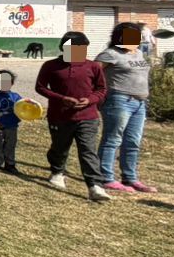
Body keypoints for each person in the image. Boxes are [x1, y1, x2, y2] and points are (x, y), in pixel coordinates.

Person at [35, 31, 110, 202]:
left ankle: (94, 186)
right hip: (59, 116)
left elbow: (101, 90)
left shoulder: (93, 67)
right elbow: (40, 87)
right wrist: (62, 99)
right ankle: (57, 171)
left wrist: (90, 100)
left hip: (87, 117)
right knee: (59, 147)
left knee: (88, 151)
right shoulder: (51, 66)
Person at [97, 21, 157, 194]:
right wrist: (98, 96)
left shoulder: (138, 53)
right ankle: (106, 177)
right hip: (119, 101)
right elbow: (93, 73)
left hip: (139, 103)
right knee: (113, 139)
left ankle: (130, 178)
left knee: (133, 142)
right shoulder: (110, 54)